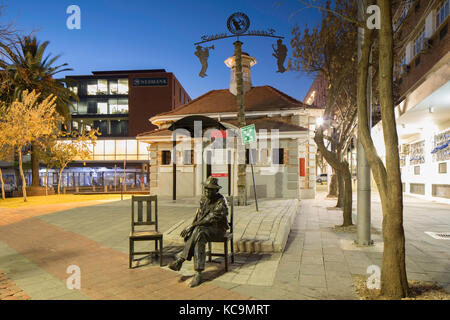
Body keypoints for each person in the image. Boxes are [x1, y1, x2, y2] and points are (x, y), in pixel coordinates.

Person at [168, 176, 229, 287]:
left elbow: (210, 218)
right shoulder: (203, 199)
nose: (207, 191)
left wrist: (192, 226)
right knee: (199, 233)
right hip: (204, 229)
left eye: (210, 189)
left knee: (199, 231)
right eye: (206, 188)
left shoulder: (221, 201)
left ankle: (181, 260)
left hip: (218, 230)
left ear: (216, 190)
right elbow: (199, 217)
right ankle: (198, 272)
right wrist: (192, 226)